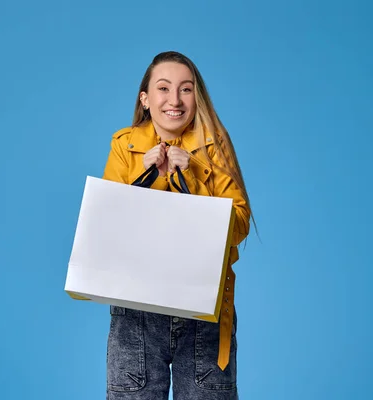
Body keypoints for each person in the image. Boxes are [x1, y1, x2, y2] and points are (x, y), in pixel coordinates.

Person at [101, 51, 253, 400]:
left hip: (205, 312)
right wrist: (149, 176)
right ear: (146, 98)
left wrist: (195, 174)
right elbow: (107, 222)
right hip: (135, 310)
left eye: (186, 89)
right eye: (164, 88)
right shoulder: (124, 145)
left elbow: (241, 223)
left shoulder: (215, 145)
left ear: (196, 97)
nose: (175, 100)